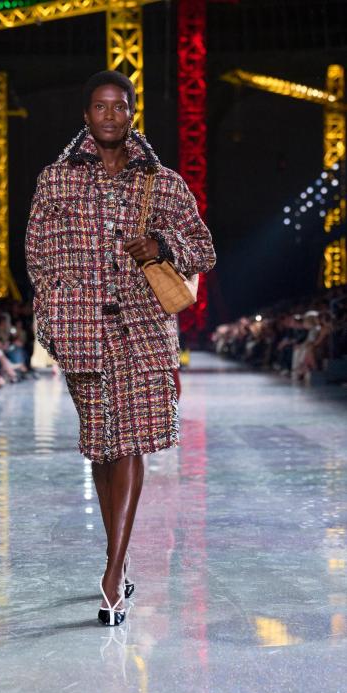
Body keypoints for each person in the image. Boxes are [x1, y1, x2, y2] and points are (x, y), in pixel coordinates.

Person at [25, 71, 216, 626]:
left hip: (142, 330)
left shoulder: (163, 183)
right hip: (82, 332)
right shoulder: (56, 181)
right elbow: (37, 257)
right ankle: (121, 553)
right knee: (101, 447)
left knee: (129, 441)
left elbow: (203, 250)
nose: (109, 115)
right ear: (86, 115)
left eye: (119, 106)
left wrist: (162, 244)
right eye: (99, 106)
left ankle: (113, 572)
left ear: (132, 114)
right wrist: (54, 318)